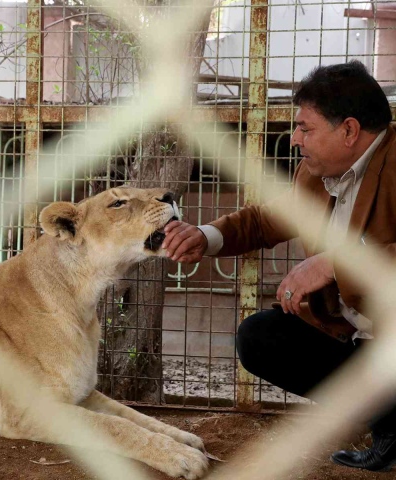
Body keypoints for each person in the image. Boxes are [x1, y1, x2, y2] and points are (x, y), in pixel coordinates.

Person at [162, 60, 396, 472]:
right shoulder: (317, 172)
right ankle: (391, 424)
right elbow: (266, 220)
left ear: (349, 130)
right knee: (261, 337)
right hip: (365, 344)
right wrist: (204, 235)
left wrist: (336, 264)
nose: (294, 139)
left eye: (306, 128)